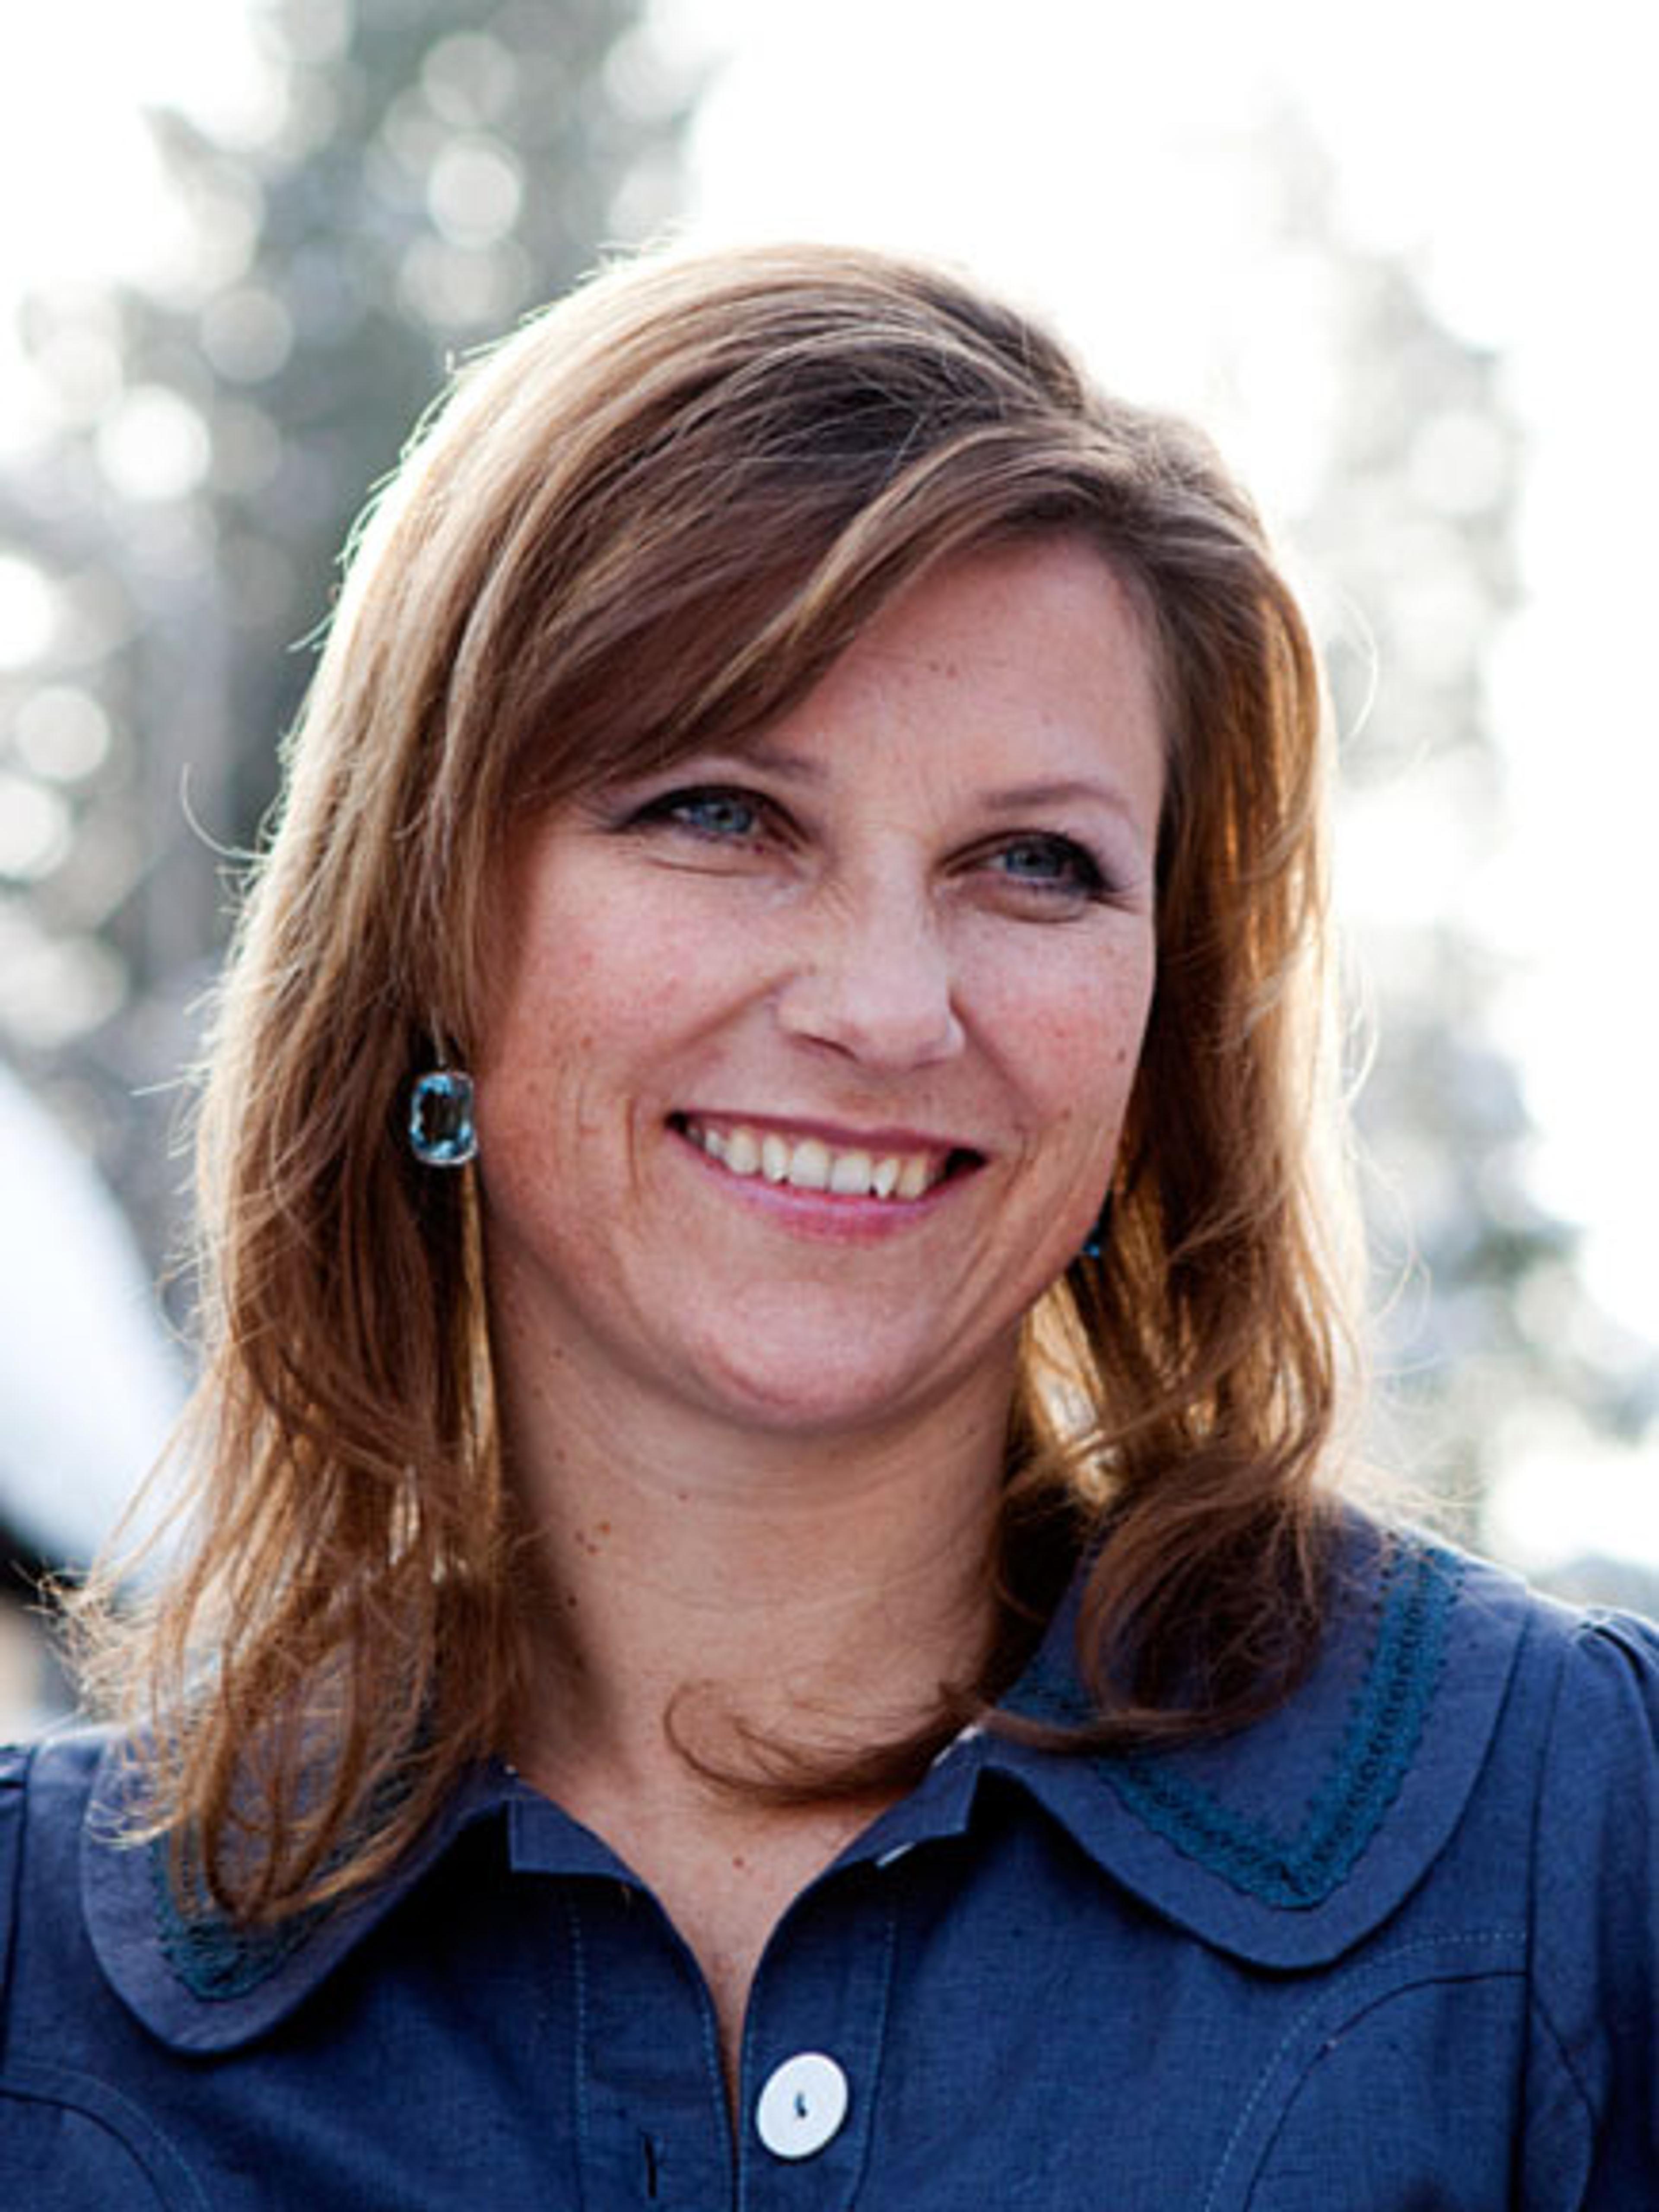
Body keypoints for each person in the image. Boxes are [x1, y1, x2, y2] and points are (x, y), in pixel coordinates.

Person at [1, 242, 1654, 2209]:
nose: (886, 1006)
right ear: (428, 927)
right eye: (721, 813)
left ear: (1162, 1033)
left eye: (1033, 862)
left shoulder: (1577, 1846)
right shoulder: (34, 1983)